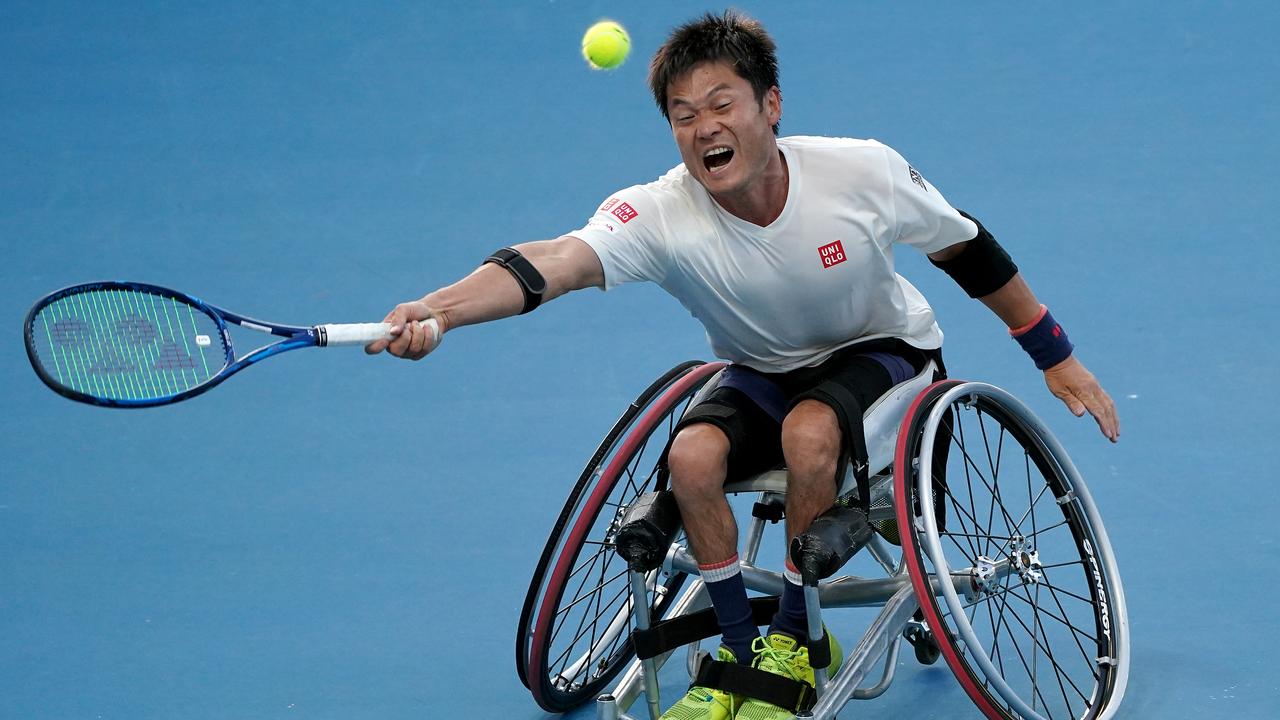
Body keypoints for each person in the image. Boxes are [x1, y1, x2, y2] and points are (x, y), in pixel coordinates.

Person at [366, 10, 1119, 720]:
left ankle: (794, 640)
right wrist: (440, 308)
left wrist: (1054, 356)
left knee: (810, 433)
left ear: (772, 105)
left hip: (886, 355)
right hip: (760, 370)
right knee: (691, 458)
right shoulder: (658, 212)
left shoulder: (860, 172)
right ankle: (737, 646)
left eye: (721, 104)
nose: (703, 129)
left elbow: (964, 246)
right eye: (683, 115)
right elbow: (555, 261)